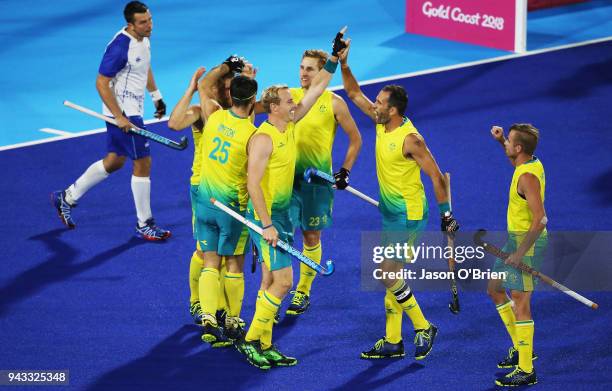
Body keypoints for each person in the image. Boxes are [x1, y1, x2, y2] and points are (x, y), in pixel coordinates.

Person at [339, 42, 458, 360]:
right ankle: (393, 341)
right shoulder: (381, 122)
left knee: (386, 271)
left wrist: (445, 214)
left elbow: (435, 176)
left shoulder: (411, 139)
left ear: (392, 110)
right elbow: (352, 93)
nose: (373, 106)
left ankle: (423, 327)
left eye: (378, 103)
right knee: (395, 275)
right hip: (392, 212)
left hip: (409, 214)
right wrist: (344, 63)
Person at [234, 37, 345, 370]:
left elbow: (319, 86)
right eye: (287, 100)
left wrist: (335, 58)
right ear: (274, 107)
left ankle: (264, 343)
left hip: (282, 214)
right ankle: (252, 340)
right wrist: (266, 225)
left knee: (270, 279)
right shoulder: (264, 138)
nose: (294, 101)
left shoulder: (290, 124)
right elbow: (253, 183)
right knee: (283, 282)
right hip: (267, 219)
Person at [51, 1, 169, 241]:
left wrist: (156, 97)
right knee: (143, 163)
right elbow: (101, 82)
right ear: (130, 24)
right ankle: (144, 223)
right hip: (124, 112)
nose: (149, 26)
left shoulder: (144, 39)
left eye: (150, 19)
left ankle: (67, 197)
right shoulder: (119, 47)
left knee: (114, 161)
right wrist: (119, 117)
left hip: (132, 109)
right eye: (143, 22)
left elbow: (144, 67)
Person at [285, 49, 362, 317]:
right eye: (301, 67)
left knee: (310, 235)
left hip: (315, 183)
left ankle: (302, 291)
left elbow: (356, 139)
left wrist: (345, 171)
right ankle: (275, 289)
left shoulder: (334, 103)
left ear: (322, 74)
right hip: (285, 179)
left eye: (310, 69)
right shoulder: (287, 97)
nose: (304, 73)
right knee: (280, 235)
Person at [194, 57, 258, 347]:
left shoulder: (215, 116)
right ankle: (232, 320)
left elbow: (204, 85)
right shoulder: (252, 134)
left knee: (210, 261)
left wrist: (223, 66)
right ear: (253, 99)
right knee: (233, 263)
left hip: (205, 203)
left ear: (231, 95)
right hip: (231, 208)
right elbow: (252, 177)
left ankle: (208, 319)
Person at [488, 124, 547, 387]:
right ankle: (521, 347)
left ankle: (526, 368)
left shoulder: (527, 177)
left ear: (520, 148)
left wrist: (520, 254)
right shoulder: (528, 164)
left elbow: (541, 219)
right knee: (496, 288)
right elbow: (515, 161)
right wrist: (501, 141)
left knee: (521, 303)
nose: (508, 144)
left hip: (527, 245)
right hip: (517, 242)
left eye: (510, 141)